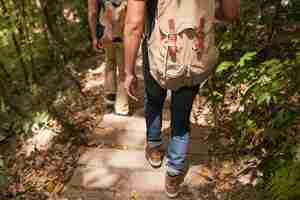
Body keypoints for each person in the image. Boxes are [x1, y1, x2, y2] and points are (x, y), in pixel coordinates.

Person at [124, 0, 240, 198]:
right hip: (195, 50)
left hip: (157, 52)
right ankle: (174, 173)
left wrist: (128, 72)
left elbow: (134, 24)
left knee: (154, 100)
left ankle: (154, 147)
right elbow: (230, 13)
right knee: (181, 113)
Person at [88, 0, 129, 116]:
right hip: (124, 29)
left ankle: (110, 99)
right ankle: (122, 107)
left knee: (110, 61)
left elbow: (93, 12)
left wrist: (94, 37)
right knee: (123, 67)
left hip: (106, 30)